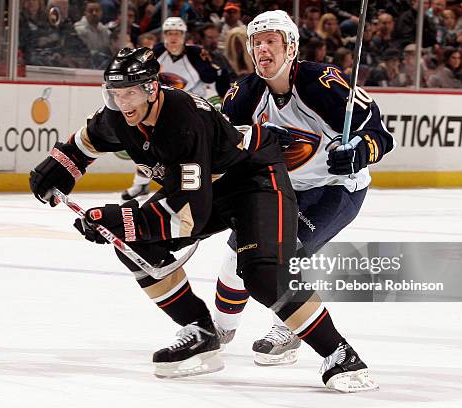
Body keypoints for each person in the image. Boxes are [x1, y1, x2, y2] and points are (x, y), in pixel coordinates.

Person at [28, 46, 375, 392]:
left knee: (262, 274)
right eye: (115, 94)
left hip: (255, 179)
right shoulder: (120, 114)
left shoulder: (182, 120)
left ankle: (341, 354)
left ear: (151, 88)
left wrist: (120, 220)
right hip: (209, 185)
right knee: (133, 245)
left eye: (130, 92)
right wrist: (58, 167)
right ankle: (201, 331)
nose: (123, 102)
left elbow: (187, 217)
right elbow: (86, 142)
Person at [214, 10, 393, 387]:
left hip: (336, 188)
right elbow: (220, 150)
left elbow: (380, 133)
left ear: (290, 47)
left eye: (272, 41)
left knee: (285, 253)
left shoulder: (321, 85)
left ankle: (292, 326)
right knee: (236, 254)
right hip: (282, 188)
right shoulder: (244, 95)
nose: (263, 49)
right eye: (257, 42)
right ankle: (217, 330)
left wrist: (360, 151)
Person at [121, 16, 221, 201]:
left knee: (188, 149)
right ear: (164, 36)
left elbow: (213, 77)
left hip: (190, 108)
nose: (173, 38)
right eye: (169, 33)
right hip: (162, 107)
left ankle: (191, 185)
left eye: (177, 33)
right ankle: (140, 184)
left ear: (184, 36)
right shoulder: (154, 53)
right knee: (147, 144)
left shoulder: (196, 53)